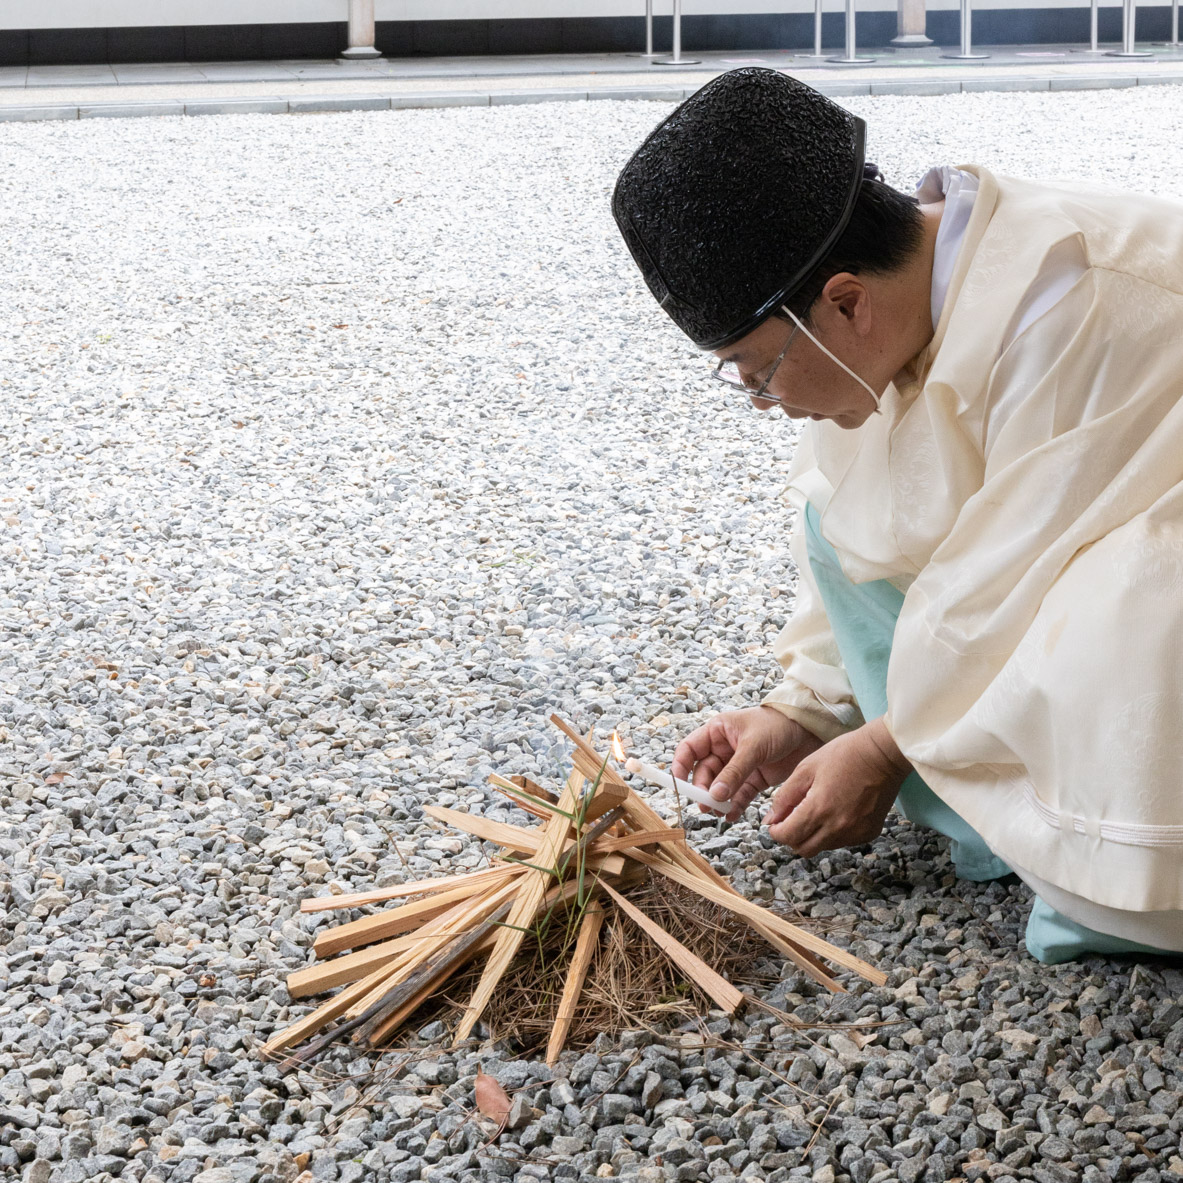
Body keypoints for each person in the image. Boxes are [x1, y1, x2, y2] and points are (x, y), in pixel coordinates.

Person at [611, 67, 1183, 965]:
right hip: (1021, 582)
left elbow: (1015, 585)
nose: (761, 400)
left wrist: (882, 750)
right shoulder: (888, 329)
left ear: (844, 301)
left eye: (757, 372)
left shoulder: (1065, 298)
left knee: (1129, 603)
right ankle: (999, 798)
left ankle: (1104, 864)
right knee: (835, 512)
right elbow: (860, 529)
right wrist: (806, 711)